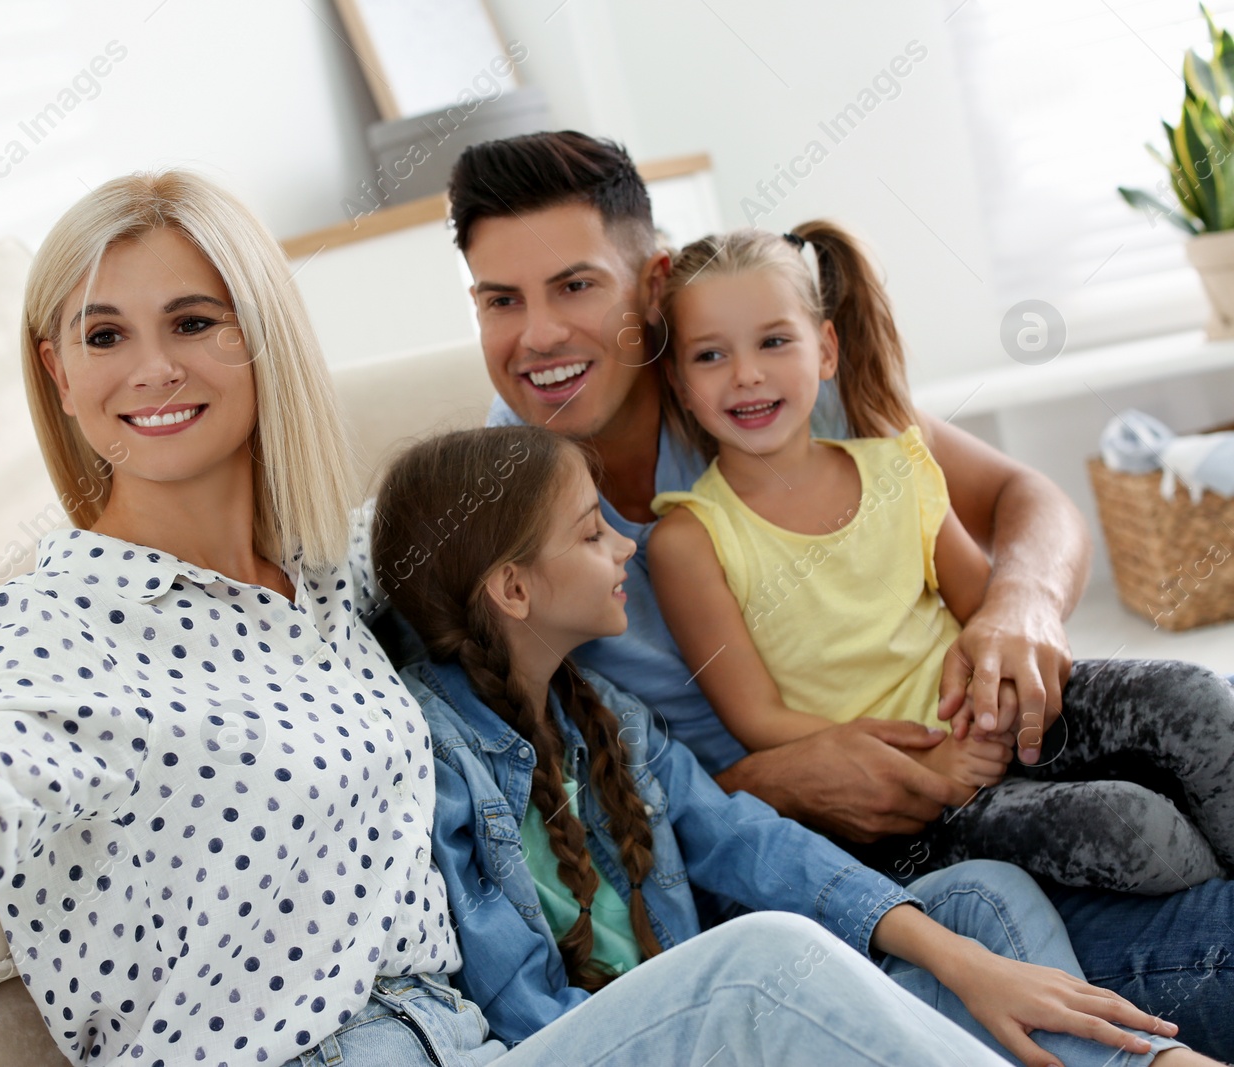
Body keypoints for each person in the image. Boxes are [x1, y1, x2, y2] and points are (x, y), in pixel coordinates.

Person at [0, 170, 1059, 1067]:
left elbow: (551, 635)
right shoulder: (52, 623)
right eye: (102, 332)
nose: (151, 368)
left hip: (479, 1036)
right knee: (762, 972)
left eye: (195, 320)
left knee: (966, 914)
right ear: (56, 372)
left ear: (262, 341)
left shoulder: (331, 587)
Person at [445, 129, 1234, 1055]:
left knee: (1194, 726)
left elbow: (1028, 500)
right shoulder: (492, 520)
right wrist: (770, 780)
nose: (538, 336)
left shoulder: (758, 385)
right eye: (501, 300)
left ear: (653, 285)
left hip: (974, 735)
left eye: (576, 285)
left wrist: (1018, 603)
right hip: (833, 862)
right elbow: (565, 803)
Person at [371, 423, 1204, 1067]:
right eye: (593, 533)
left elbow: (752, 842)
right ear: (513, 588)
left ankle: (1156, 1058)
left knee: (982, 900)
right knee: (775, 957)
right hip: (664, 1036)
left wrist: (960, 960)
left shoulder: (604, 715)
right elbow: (525, 1009)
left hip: (728, 1015)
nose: (626, 545)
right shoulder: (438, 760)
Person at [641, 222, 1234, 896]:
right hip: (909, 803)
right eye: (710, 355)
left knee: (1196, 700)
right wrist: (930, 757)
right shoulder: (689, 540)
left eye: (775, 341)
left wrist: (994, 702)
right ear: (680, 382)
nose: (747, 373)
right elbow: (759, 720)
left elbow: (985, 608)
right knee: (1132, 827)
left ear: (826, 349)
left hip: (997, 721)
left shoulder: (901, 465)